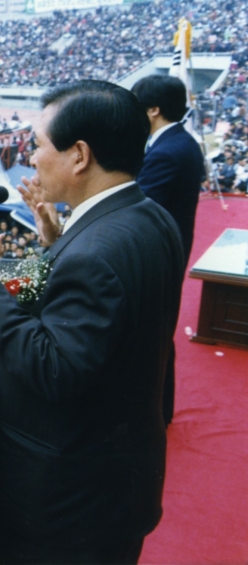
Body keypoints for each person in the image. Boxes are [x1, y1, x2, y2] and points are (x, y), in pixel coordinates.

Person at [0, 80, 184, 563]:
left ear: (79, 155)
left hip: (70, 503)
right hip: (116, 481)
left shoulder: (96, 249)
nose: (31, 158)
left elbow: (55, 368)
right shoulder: (148, 216)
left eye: (37, 146)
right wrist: (55, 246)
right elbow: (91, 310)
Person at [132, 74, 205, 427]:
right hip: (174, 247)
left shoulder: (166, 152)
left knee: (154, 331)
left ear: (154, 110)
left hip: (160, 254)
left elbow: (140, 206)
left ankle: (156, 411)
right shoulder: (182, 143)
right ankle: (161, 408)